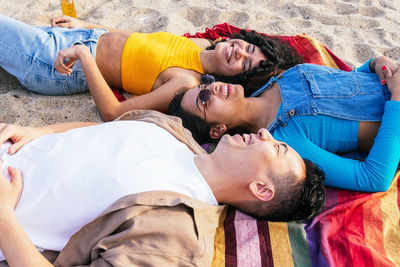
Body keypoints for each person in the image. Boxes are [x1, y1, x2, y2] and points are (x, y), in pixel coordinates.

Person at [0, 110, 325, 266]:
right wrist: (40, 130)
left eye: (277, 148)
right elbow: (103, 131)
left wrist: (3, 214)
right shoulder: (172, 130)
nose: (265, 133)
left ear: (261, 189)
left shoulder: (178, 234)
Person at [0, 14, 303, 121]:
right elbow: (135, 42)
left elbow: (113, 113)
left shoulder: (184, 82)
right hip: (77, 39)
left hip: (58, 62)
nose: (239, 53)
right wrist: (86, 27)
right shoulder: (196, 45)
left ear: (240, 79)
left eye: (245, 65)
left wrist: (84, 54)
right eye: (247, 48)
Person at [168, 56, 400, 192]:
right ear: (218, 130)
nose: (211, 88)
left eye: (205, 84)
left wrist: (375, 64)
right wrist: (397, 96)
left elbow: (345, 83)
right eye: (205, 100)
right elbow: (374, 178)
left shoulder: (279, 78)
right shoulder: (286, 141)